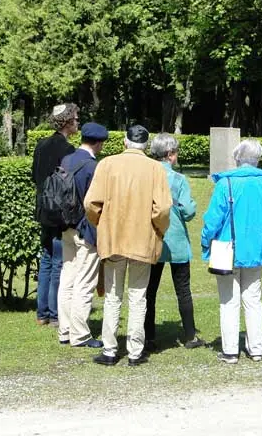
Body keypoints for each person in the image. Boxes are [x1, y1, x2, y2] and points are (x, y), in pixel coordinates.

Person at [84, 125, 172, 366]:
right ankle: (135, 351)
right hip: (142, 240)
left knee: (113, 297)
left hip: (113, 239)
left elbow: (91, 203)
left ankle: (110, 350)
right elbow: (163, 208)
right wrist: (158, 229)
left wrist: (101, 223)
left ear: (125, 142)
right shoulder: (155, 168)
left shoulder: (107, 164)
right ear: (146, 145)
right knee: (138, 297)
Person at [201, 139, 262, 364]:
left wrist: (206, 240)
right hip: (256, 248)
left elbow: (213, 219)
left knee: (229, 301)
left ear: (237, 158)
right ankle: (256, 348)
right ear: (258, 159)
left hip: (227, 249)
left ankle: (230, 350)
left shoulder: (225, 183)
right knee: (253, 299)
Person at [144, 133, 205, 352]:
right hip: (176, 239)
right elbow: (188, 212)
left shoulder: (146, 175)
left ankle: (148, 337)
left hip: (152, 239)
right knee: (183, 289)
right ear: (170, 154)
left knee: (149, 291)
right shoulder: (178, 179)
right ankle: (190, 335)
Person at [57, 122, 109, 348]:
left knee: (67, 279)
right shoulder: (93, 167)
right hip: (86, 229)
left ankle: (65, 330)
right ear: (98, 143)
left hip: (65, 227)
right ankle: (80, 335)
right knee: (85, 282)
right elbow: (96, 202)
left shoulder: (66, 160)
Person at [31, 103, 79, 327]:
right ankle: (54, 313)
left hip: (43, 209)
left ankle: (42, 313)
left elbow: (34, 176)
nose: (78, 122)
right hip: (59, 212)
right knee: (59, 261)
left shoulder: (41, 145)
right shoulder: (67, 150)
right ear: (67, 121)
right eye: (76, 118)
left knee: (47, 259)